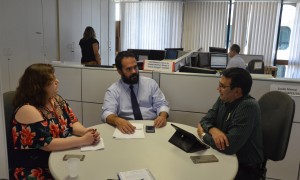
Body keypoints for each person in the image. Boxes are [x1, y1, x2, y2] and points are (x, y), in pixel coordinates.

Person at [11, 63, 100, 179]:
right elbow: (48, 144)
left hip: (60, 154)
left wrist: (87, 133)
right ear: (39, 86)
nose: (57, 82)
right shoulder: (28, 110)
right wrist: (83, 140)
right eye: (52, 80)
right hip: (37, 167)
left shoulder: (55, 99)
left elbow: (72, 123)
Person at [197, 68, 264, 180]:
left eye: (223, 86)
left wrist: (203, 135)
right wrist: (213, 129)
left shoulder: (248, 107)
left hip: (245, 168)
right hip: (225, 157)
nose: (218, 89)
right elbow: (205, 120)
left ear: (237, 91)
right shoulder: (223, 99)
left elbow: (229, 147)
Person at [101, 51, 170, 134]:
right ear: (119, 71)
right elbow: (106, 113)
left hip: (152, 126)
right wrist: (117, 120)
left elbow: (161, 104)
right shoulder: (113, 90)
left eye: (135, 67)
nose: (134, 71)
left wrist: (162, 116)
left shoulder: (150, 84)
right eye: (129, 69)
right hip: (127, 129)